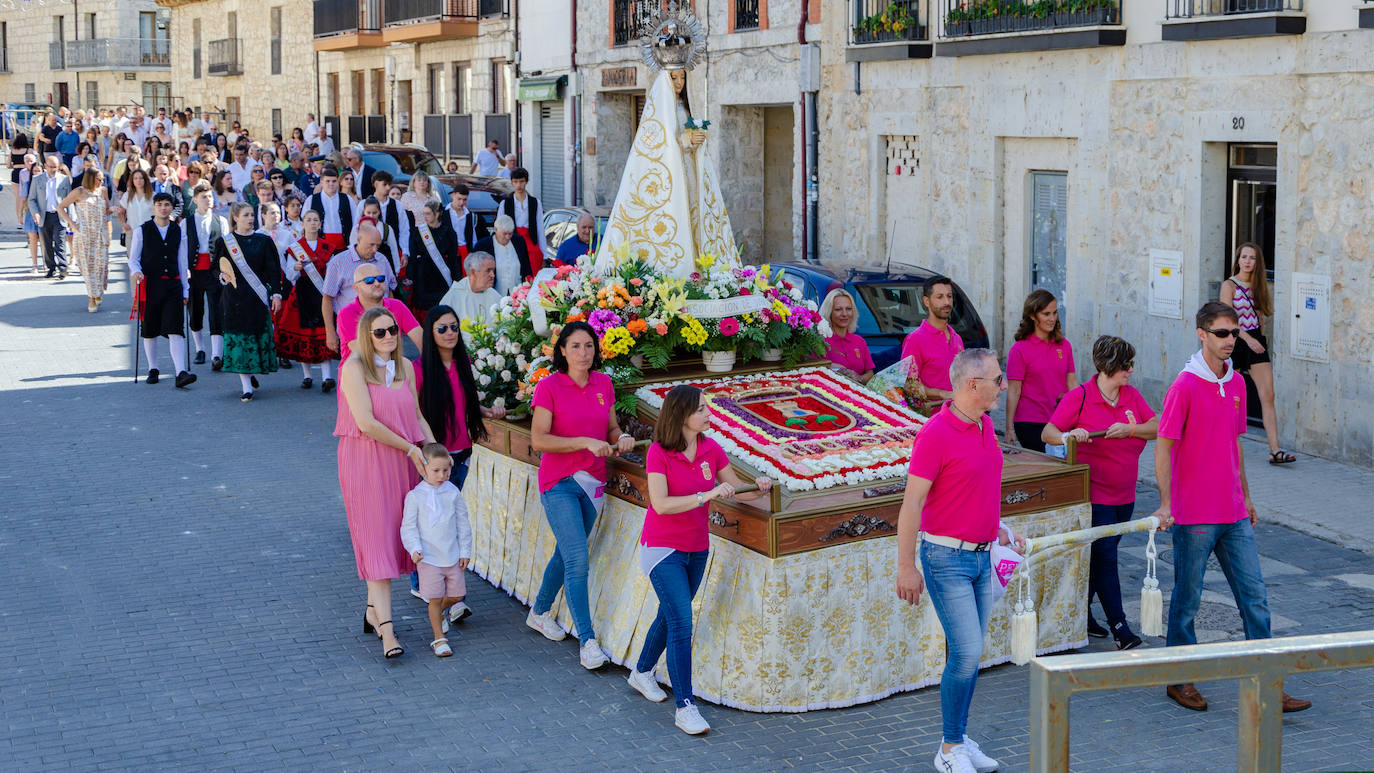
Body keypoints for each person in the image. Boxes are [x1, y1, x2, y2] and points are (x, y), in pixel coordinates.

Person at [1150, 302, 1311, 715]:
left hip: (1234, 513)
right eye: (1222, 333)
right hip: (1194, 515)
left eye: (1234, 333)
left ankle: (1268, 685)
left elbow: (1234, 445)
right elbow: (1164, 446)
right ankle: (1179, 679)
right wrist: (1166, 503)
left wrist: (1248, 497)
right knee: (1188, 601)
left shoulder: (1237, 384)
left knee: (1255, 599)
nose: (1230, 341)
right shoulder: (1183, 386)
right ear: (1201, 334)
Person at [895, 348, 1023, 773]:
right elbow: (912, 503)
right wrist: (905, 566)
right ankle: (949, 748)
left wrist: (1000, 528)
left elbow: (977, 488)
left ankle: (960, 738)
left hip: (982, 557)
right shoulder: (934, 434)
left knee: (971, 654)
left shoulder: (984, 426)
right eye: (998, 379)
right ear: (973, 384)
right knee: (966, 653)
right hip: (945, 558)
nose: (1003, 385)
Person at [625, 385, 771, 735]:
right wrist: (705, 495)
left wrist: (759, 486)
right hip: (662, 548)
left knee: (670, 613)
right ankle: (685, 706)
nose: (708, 414)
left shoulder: (711, 448)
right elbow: (660, 504)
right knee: (681, 621)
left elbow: (735, 489)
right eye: (702, 409)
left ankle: (642, 672)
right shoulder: (659, 453)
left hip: (696, 547)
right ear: (683, 415)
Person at [526, 321, 637, 669]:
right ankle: (588, 641)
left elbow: (611, 427)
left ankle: (540, 611)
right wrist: (583, 442)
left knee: (566, 552)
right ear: (561, 350)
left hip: (594, 483)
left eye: (588, 346)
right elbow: (539, 440)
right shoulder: (549, 387)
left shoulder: (603, 383)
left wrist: (622, 438)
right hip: (559, 481)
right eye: (575, 346)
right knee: (577, 558)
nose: (583, 353)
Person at [1042, 336, 1157, 651]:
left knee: (1099, 559)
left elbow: (1157, 426)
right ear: (1109, 366)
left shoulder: (1131, 396)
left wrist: (1130, 429)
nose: (1131, 371)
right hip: (1095, 496)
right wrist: (1069, 435)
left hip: (1125, 495)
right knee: (1106, 558)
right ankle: (1121, 628)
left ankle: (1081, 615)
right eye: (1126, 365)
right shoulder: (1079, 397)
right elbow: (1048, 432)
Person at [340, 306, 437, 660]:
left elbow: (416, 416)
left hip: (402, 461)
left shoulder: (406, 368)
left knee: (395, 536)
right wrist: (411, 448)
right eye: (379, 332)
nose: (388, 336)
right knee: (376, 541)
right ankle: (388, 632)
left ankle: (372, 611)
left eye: (392, 330)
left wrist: (431, 452)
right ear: (366, 336)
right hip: (366, 461)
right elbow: (365, 423)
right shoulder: (353, 370)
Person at [400, 443, 475, 658]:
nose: (442, 475)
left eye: (446, 470)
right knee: (434, 598)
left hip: (452, 556)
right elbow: (409, 526)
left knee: (457, 594)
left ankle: (441, 612)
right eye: (436, 470)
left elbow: (463, 523)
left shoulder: (452, 492)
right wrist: (414, 548)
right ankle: (439, 638)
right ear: (423, 468)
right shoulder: (415, 496)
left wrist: (465, 551)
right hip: (429, 558)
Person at [1221, 243, 1293, 465]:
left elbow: (1260, 317)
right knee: (1225, 396)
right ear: (1238, 259)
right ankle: (1220, 444)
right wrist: (1248, 340)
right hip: (1234, 340)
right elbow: (1227, 320)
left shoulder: (1259, 286)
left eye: (1252, 258)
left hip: (1255, 340)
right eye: (1244, 257)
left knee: (1268, 394)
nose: (1247, 261)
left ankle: (1275, 450)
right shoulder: (1229, 285)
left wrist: (1258, 338)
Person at [214, 201, 283, 402]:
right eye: (245, 215)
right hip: (234, 299)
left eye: (252, 215)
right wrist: (222, 276)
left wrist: (277, 294)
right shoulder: (225, 242)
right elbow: (215, 268)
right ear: (235, 218)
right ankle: (246, 386)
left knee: (255, 337)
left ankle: (251, 373)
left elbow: (273, 269)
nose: (250, 219)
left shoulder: (264, 241)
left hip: (257, 298)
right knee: (240, 341)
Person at [129, 193, 197, 389]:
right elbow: (133, 259)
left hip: (173, 285)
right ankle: (153, 368)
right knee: (149, 329)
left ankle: (180, 372)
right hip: (151, 284)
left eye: (167, 205)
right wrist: (137, 271)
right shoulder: (143, 231)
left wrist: (186, 289)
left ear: (171, 208)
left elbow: (182, 260)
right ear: (154, 208)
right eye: (159, 205)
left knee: (175, 327)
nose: (163, 208)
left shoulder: (178, 230)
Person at [1005, 290, 1077, 452]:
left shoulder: (1064, 345)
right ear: (1032, 315)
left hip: (1060, 420)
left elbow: (1072, 382)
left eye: (1055, 313)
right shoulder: (1020, 349)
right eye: (1046, 314)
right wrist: (1009, 429)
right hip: (1030, 422)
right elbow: (1014, 391)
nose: (1052, 318)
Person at [276, 209, 338, 391]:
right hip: (302, 294)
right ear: (302, 224)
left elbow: (333, 273)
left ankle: (327, 377)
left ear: (320, 224)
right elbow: (289, 275)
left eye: (315, 220)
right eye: (308, 220)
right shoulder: (295, 247)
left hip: (322, 295)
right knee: (305, 336)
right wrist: (295, 268)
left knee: (323, 334)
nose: (312, 223)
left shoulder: (328, 247)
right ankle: (307, 376)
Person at [333, 262, 421, 363]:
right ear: (356, 287)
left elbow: (422, 340)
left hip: (393, 371)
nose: (377, 283)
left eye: (380, 279)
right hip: (359, 374)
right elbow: (363, 353)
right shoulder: (347, 313)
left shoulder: (397, 306)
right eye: (369, 281)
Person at [185, 182, 230, 369]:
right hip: (194, 271)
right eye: (204, 196)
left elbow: (226, 249)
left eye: (210, 196)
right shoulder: (186, 222)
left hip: (214, 272)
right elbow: (182, 249)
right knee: (195, 311)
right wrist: (184, 269)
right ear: (195, 200)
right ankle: (200, 349)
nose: (208, 199)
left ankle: (216, 354)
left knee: (216, 311)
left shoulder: (222, 221)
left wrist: (226, 271)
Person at [899, 276, 964, 401]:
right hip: (929, 418)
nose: (947, 302)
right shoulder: (915, 339)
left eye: (949, 296)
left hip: (956, 415)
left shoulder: (957, 338)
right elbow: (908, 385)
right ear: (927, 301)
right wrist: (943, 394)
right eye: (940, 297)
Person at [58, 168, 113, 312]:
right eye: (98, 179)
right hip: (84, 233)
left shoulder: (103, 191)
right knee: (88, 268)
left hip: (100, 233)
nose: (101, 182)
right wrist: (72, 223)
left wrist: (114, 210)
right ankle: (91, 298)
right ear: (90, 178)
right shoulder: (79, 192)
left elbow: (106, 210)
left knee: (101, 266)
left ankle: (98, 292)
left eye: (102, 179)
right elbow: (61, 207)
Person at [408, 201, 461, 312]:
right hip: (423, 276)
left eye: (428, 214)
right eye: (424, 214)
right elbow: (412, 257)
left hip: (442, 276)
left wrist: (457, 279)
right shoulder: (417, 232)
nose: (425, 217)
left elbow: (454, 258)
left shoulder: (449, 232)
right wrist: (410, 276)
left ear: (437, 214)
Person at [27, 154, 72, 279]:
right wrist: (35, 212)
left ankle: (63, 268)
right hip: (44, 215)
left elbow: (69, 200)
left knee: (60, 242)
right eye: (51, 167)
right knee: (47, 244)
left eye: (56, 167)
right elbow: (31, 199)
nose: (54, 169)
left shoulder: (64, 179)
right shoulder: (37, 180)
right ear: (45, 166)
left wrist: (71, 219)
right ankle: (51, 268)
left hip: (59, 215)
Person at [494, 167, 547, 271]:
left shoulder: (535, 203)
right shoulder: (505, 204)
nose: (518, 185)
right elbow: (499, 228)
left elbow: (540, 229)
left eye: (521, 181)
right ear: (512, 183)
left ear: (526, 182)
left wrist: (544, 255)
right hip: (511, 243)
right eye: (515, 182)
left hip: (531, 243)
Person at [819, 288, 875, 384]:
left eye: (848, 309)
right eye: (838, 309)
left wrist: (859, 380)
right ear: (829, 312)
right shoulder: (820, 341)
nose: (844, 314)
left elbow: (870, 373)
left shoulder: (859, 341)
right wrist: (830, 367)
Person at [439, 252, 501, 325]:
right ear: (473, 272)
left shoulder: (494, 295)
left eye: (493, 270)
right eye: (488, 270)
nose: (493, 275)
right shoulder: (453, 297)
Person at [474, 215, 530, 295]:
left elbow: (526, 267)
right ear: (496, 229)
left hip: (518, 293)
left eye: (510, 234)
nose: (507, 237)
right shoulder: (482, 246)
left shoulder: (519, 242)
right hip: (493, 293)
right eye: (504, 234)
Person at [308, 168, 356, 252]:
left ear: (338, 182)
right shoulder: (311, 199)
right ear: (321, 182)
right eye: (328, 181)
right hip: (320, 246)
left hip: (344, 246)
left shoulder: (347, 198)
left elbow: (355, 221)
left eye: (334, 181)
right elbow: (305, 222)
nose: (331, 184)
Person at [16, 154, 42, 274]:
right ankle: (35, 264)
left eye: (38, 170)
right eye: (34, 171)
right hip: (31, 213)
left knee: (43, 239)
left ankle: (46, 263)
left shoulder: (47, 183)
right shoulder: (27, 184)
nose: (36, 172)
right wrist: (20, 214)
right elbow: (22, 199)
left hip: (44, 214)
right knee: (33, 239)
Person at [447, 184, 489, 256]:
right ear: (453, 196)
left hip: (467, 254)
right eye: (459, 199)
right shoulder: (442, 214)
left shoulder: (473, 217)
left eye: (464, 199)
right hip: (449, 255)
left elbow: (481, 238)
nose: (461, 203)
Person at [118, 168, 156, 242]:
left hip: (149, 231)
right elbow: (120, 211)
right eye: (135, 178)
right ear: (132, 181)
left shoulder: (153, 196)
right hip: (132, 230)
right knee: (131, 253)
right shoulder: (127, 195)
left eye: (141, 178)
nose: (138, 180)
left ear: (145, 180)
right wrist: (123, 224)